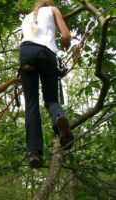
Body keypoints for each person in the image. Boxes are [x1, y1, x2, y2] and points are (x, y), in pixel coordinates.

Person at [19, 0, 74, 169]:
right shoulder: (53, 10)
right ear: (47, 4)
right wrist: (66, 43)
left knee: (31, 104)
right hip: (47, 53)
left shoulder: (26, 18)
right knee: (50, 99)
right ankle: (58, 118)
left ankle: (34, 152)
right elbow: (66, 35)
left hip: (26, 53)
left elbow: (24, 39)